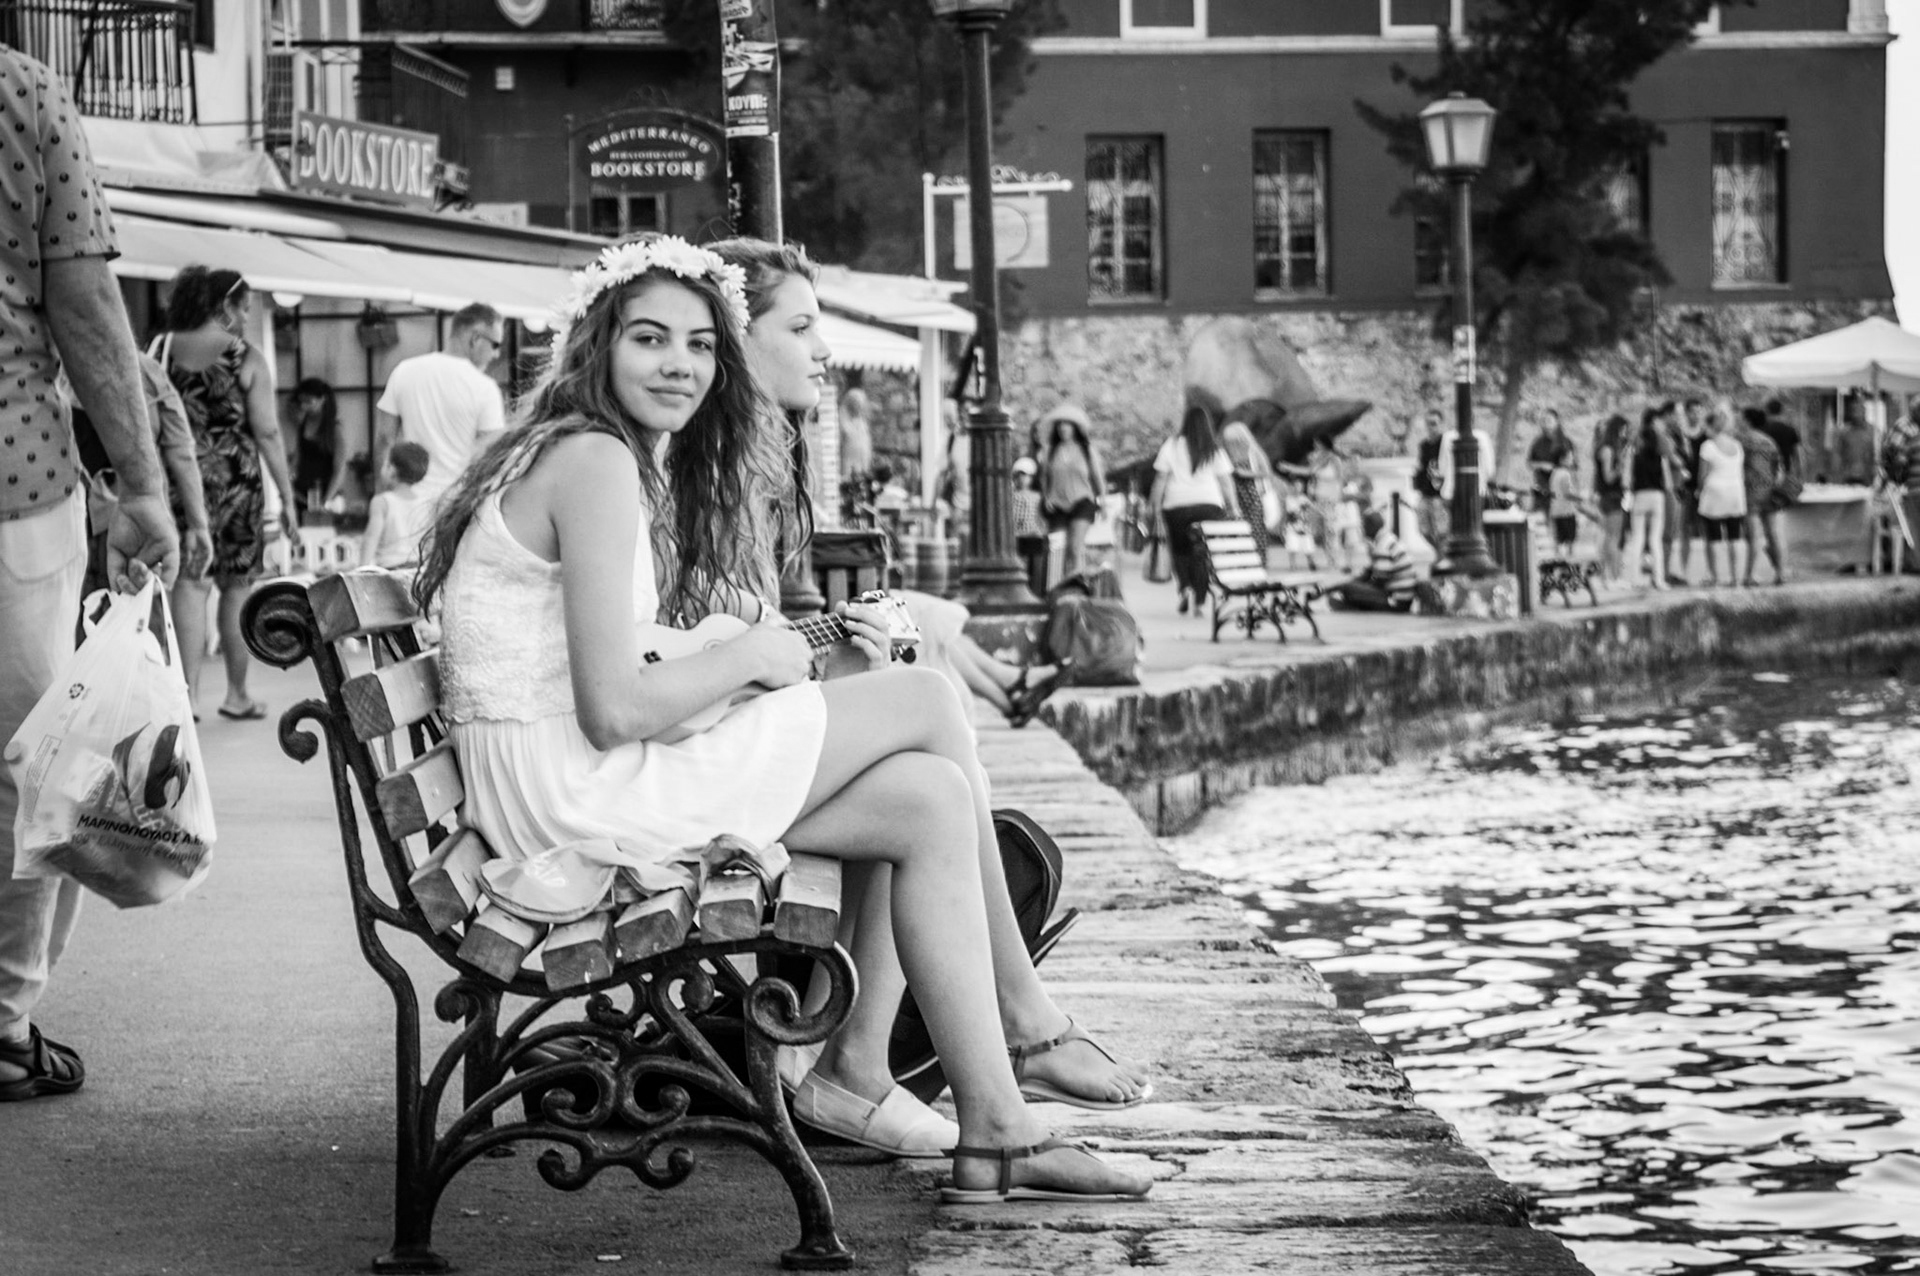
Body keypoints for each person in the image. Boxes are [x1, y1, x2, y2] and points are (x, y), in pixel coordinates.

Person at [413, 235, 1149, 1199]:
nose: (679, 364)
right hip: (572, 803)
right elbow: (612, 709)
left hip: (558, 788)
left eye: (700, 346)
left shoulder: (586, 451)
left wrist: (727, 654)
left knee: (925, 797)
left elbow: (604, 655)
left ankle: (990, 1128)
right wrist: (750, 657)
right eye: (648, 339)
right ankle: (1018, 1020)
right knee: (924, 698)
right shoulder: (594, 461)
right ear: (598, 345)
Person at [1, 45, 180, 1103]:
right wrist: (143, 486)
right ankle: (4, 1020)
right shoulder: (22, 91)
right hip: (15, 484)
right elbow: (85, 307)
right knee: (29, 763)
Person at [707, 237, 1070, 736]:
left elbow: (752, 641)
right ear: (735, 338)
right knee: (926, 684)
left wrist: (833, 662)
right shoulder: (706, 475)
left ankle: (1010, 686)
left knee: (922, 667)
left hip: (753, 711)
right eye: (800, 328)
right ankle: (1010, 687)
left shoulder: (750, 465)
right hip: (726, 734)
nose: (823, 350)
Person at [152, 265, 300, 721]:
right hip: (238, 484)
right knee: (237, 590)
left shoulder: (161, 349)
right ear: (225, 307)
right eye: (244, 308)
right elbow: (269, 433)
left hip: (179, 483)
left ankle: (187, 698)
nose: (247, 318)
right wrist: (288, 497)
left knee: (190, 588)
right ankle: (237, 694)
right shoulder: (246, 356)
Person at [374, 303, 506, 508]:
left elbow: (384, 439)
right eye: (495, 345)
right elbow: (490, 456)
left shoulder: (404, 371)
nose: (496, 354)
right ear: (475, 339)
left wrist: (383, 497)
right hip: (454, 506)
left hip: (407, 502)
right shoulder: (485, 389)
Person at [1151, 400, 1235, 615]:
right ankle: (1199, 601)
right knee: (1203, 554)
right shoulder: (1214, 448)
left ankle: (1185, 587)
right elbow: (1226, 481)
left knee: (1181, 551)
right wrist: (1233, 507)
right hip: (1209, 505)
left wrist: (1155, 508)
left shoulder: (1172, 445)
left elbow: (1160, 478)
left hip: (1177, 506)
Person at [1034, 403, 1106, 579]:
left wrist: (1103, 500)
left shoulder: (1086, 450)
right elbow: (1044, 477)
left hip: (1082, 501)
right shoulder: (1049, 451)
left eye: (1067, 425)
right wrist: (1046, 497)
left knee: (1074, 547)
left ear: (1075, 428)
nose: (1063, 429)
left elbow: (1097, 477)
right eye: (1060, 425)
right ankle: (1056, 585)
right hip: (1057, 503)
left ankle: (1076, 585)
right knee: (1056, 549)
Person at [1693, 400, 1747, 587]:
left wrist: (1698, 490)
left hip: (1714, 494)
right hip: (1735, 493)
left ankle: (1716, 577)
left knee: (1714, 537)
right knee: (1735, 536)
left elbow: (1703, 474)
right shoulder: (1737, 446)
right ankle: (1736, 578)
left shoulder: (1708, 446)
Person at [1625, 404, 1677, 590]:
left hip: (1640, 496)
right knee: (1656, 539)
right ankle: (1660, 579)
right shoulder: (1660, 457)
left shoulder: (1634, 456)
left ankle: (1634, 579)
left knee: (1638, 538)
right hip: (1657, 497)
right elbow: (1668, 483)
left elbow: (1628, 479)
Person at [1324, 509, 1416, 612]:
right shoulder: (1386, 539)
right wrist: (1338, 587)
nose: (1363, 530)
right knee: (1349, 588)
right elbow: (1368, 573)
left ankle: (1353, 605)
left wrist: (1356, 589)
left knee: (1349, 589)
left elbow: (1380, 580)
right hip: (1398, 598)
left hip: (1396, 600)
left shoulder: (1383, 545)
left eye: (1364, 526)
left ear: (1372, 526)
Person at [363, 440, 434, 571]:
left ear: (392, 470)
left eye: (385, 464)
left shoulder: (382, 502)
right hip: (417, 569)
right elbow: (430, 541)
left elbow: (371, 538)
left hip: (390, 570)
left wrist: (361, 569)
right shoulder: (426, 503)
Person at [1219, 409, 1276, 562]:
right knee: (1235, 527)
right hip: (1235, 494)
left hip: (1252, 494)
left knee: (1255, 528)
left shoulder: (1254, 452)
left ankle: (1258, 560)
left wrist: (1246, 474)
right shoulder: (1227, 453)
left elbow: (1267, 473)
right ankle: (1239, 560)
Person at [1738, 406, 1786, 586]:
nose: (1738, 420)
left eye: (1741, 418)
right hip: (1770, 492)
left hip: (1750, 492)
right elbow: (1779, 468)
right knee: (1773, 534)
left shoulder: (1742, 441)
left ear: (1748, 421)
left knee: (1753, 536)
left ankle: (1750, 575)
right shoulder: (1770, 442)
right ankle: (1780, 572)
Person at [287, 376, 346, 519]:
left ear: (322, 400)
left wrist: (327, 500)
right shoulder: (302, 425)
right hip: (301, 494)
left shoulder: (335, 429)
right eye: (301, 402)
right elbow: (297, 458)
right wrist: (288, 482)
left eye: (309, 402)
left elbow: (340, 468)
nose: (304, 407)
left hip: (325, 493)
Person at [1592, 413, 1629, 588]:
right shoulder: (1608, 450)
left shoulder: (1606, 448)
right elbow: (1607, 477)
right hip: (1611, 497)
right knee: (1613, 538)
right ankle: (1612, 578)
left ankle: (1607, 577)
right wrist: (1620, 469)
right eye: (1623, 430)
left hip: (1610, 497)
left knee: (1609, 538)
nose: (1625, 434)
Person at [1012, 456, 1049, 598]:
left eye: (1026, 475)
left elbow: (1041, 516)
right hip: (1018, 537)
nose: (1023, 479)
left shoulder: (1038, 496)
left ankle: (1036, 595)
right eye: (1020, 475)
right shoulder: (1012, 495)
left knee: (1037, 571)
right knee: (1022, 568)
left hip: (1035, 537)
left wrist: (1042, 530)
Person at [1411, 409, 1447, 552]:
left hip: (1440, 494)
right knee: (1423, 529)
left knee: (1442, 530)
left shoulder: (1445, 444)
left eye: (1434, 423)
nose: (1431, 427)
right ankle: (1439, 553)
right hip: (1426, 493)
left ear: (1441, 424)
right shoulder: (1424, 445)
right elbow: (1421, 466)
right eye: (1428, 424)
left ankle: (1442, 558)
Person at [1526, 409, 1574, 514]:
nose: (1545, 423)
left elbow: (1570, 465)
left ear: (1556, 421)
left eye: (1549, 420)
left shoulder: (1565, 442)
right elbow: (1530, 463)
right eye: (1543, 420)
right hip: (1541, 488)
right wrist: (1541, 465)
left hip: (1559, 490)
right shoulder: (1537, 442)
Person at [1831, 395, 1875, 485]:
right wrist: (1837, 474)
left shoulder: (1872, 432)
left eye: (1858, 410)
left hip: (1867, 476)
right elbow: (1837, 453)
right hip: (1848, 476)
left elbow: (1876, 454)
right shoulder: (1844, 432)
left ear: (1864, 412)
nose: (1855, 414)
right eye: (1853, 411)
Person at [1547, 457, 1581, 559]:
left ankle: (1558, 560)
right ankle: (1569, 562)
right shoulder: (1565, 474)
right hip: (1567, 511)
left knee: (1558, 540)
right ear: (1562, 459)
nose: (1572, 459)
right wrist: (1580, 498)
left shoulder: (1554, 473)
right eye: (1569, 457)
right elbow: (1567, 493)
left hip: (1555, 510)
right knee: (1570, 542)